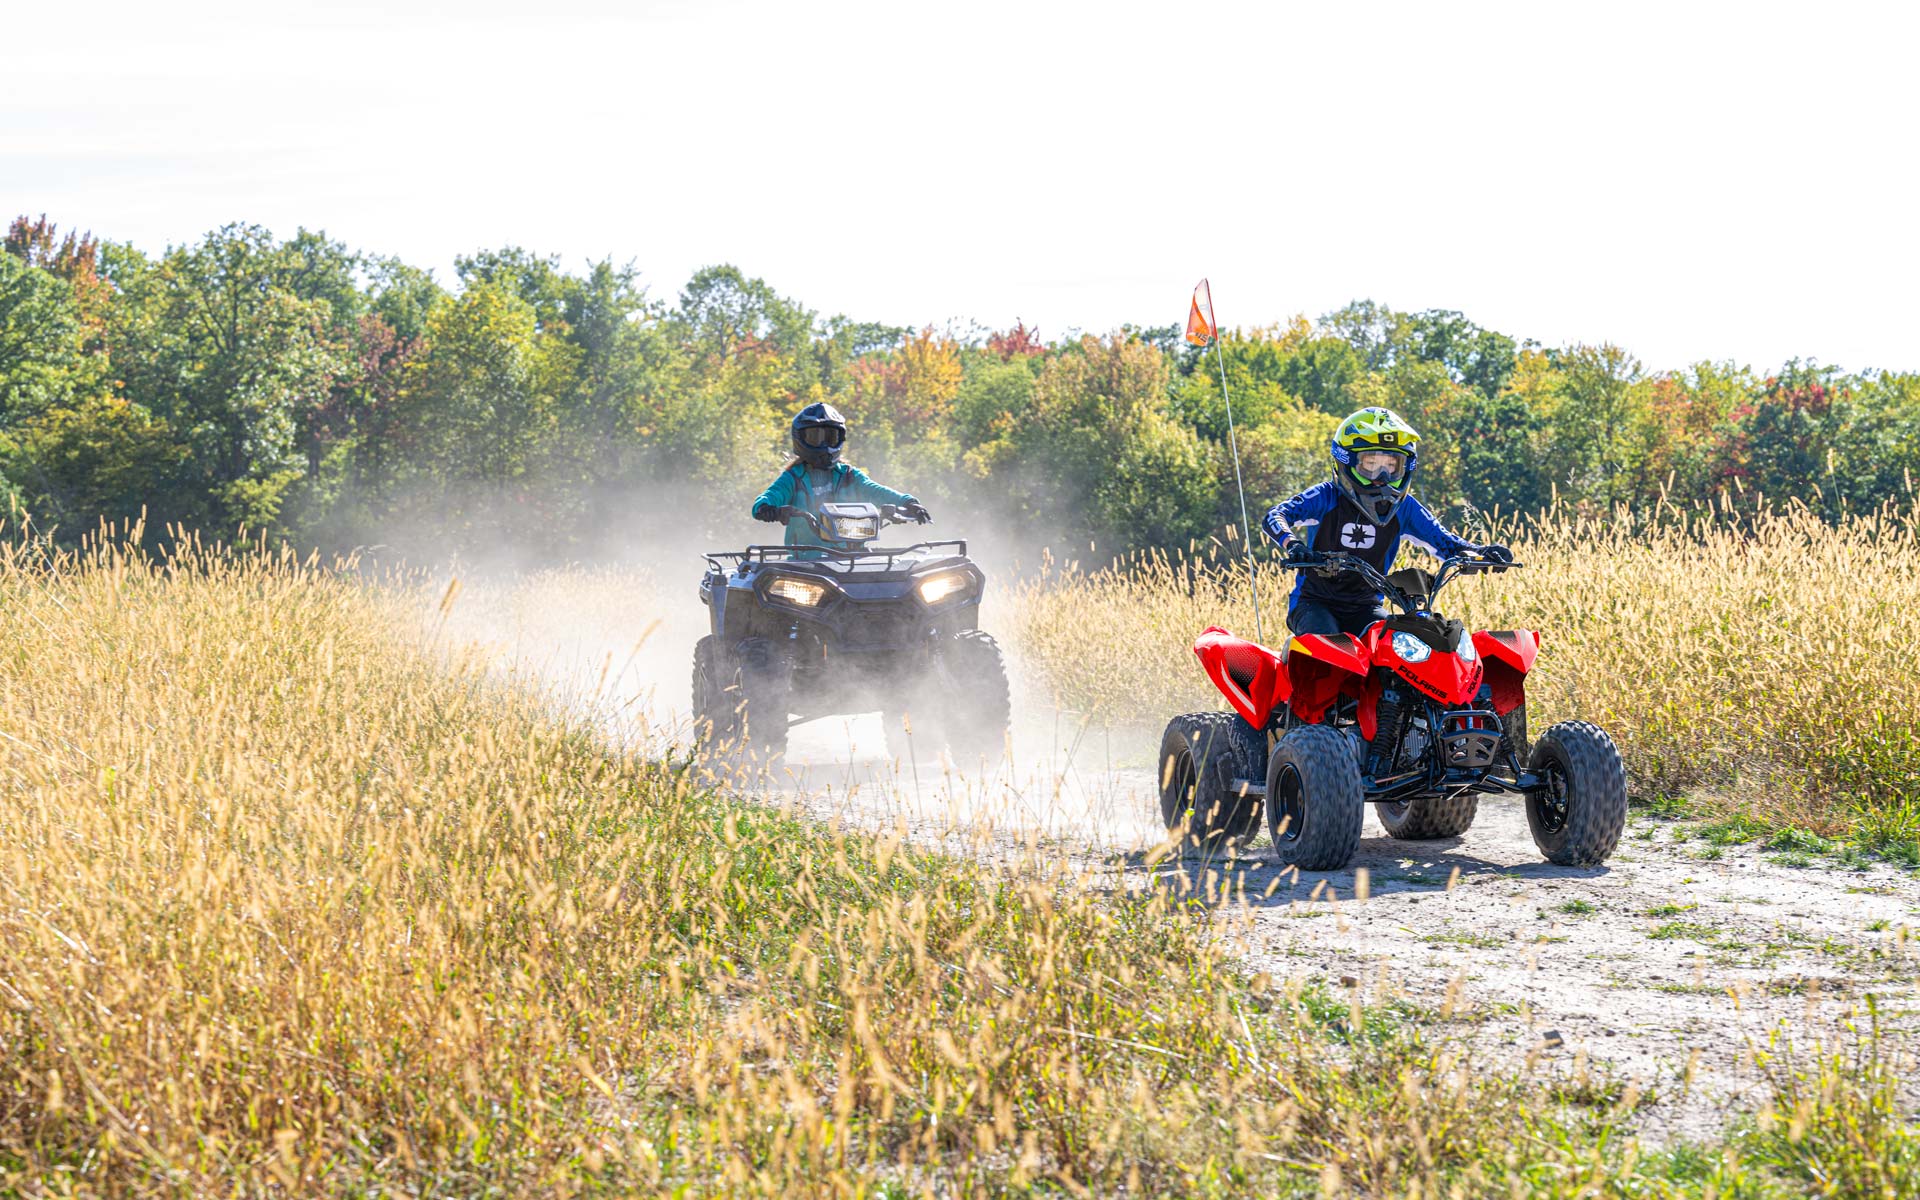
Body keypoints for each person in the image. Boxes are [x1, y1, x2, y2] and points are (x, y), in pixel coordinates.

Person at [1260, 406, 1510, 638]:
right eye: (1371, 464)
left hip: (1366, 607)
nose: (1382, 476)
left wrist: (1481, 552)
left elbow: (1445, 543)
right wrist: (1293, 545)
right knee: (1330, 647)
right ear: (1346, 461)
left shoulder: (1406, 507)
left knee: (1397, 645)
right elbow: (1275, 515)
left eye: (1391, 465)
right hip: (1314, 604)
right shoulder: (1326, 496)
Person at [752, 402, 930, 548]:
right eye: (815, 437)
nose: (824, 445)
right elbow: (771, 495)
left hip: (854, 558)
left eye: (831, 437)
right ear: (800, 439)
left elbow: (876, 491)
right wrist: (766, 508)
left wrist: (908, 502)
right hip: (805, 563)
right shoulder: (793, 478)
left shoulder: (849, 475)